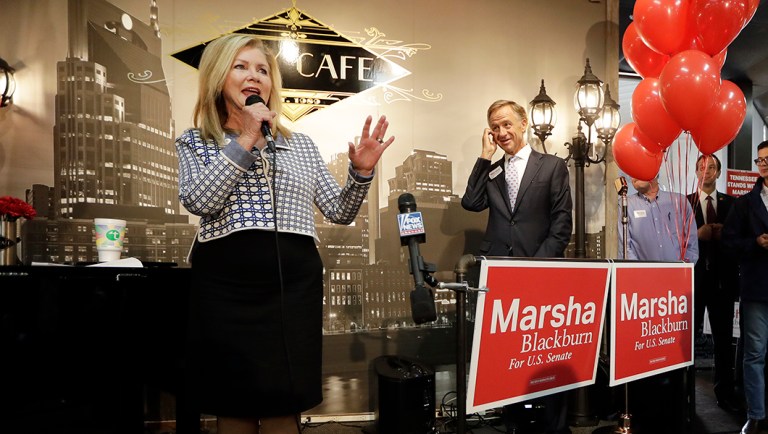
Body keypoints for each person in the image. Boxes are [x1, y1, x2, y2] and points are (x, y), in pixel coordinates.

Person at [175, 34, 392, 434]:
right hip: (225, 288)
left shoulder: (301, 145)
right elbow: (199, 199)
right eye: (241, 66)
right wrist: (247, 138)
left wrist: (361, 173)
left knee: (283, 398)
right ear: (218, 76)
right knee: (233, 400)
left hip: (292, 286)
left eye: (262, 70)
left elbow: (340, 212)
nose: (253, 76)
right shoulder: (197, 140)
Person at [462, 99, 573, 434]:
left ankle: (555, 426)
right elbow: (471, 202)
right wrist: (484, 156)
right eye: (495, 127)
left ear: (524, 123)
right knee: (509, 355)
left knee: (547, 352)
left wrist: (533, 269)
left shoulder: (553, 166)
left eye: (507, 124)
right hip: (500, 277)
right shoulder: (493, 171)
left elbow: (562, 224)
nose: (501, 132)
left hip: (541, 274)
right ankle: (514, 422)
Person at [617, 174, 698, 433]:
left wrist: (678, 277)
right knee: (646, 358)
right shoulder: (626, 204)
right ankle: (645, 420)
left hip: (676, 299)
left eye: (637, 171)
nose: (631, 177)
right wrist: (642, 284)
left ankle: (677, 417)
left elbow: (692, 247)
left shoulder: (679, 202)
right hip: (644, 300)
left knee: (674, 358)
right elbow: (625, 250)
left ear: (653, 172)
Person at [686, 154, 740, 413]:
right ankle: (686, 395)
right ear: (696, 171)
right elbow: (678, 240)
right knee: (687, 342)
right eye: (701, 167)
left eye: (712, 167)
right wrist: (699, 234)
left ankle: (725, 394)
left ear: (718, 172)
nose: (706, 171)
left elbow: (739, 240)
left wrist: (724, 234)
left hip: (723, 282)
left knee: (723, 342)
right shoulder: (684, 203)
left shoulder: (732, 204)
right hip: (693, 284)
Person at [723, 141, 768, 434]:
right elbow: (728, 242)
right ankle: (756, 414)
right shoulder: (743, 203)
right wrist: (755, 243)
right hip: (756, 288)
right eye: (760, 159)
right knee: (754, 354)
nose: (763, 164)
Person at [618, 175, 698, 263]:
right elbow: (624, 248)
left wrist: (684, 268)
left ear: (655, 172)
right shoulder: (626, 205)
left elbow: (692, 243)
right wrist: (639, 272)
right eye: (632, 172)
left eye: (639, 168)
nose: (635, 176)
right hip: (643, 275)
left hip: (678, 274)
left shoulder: (679, 201)